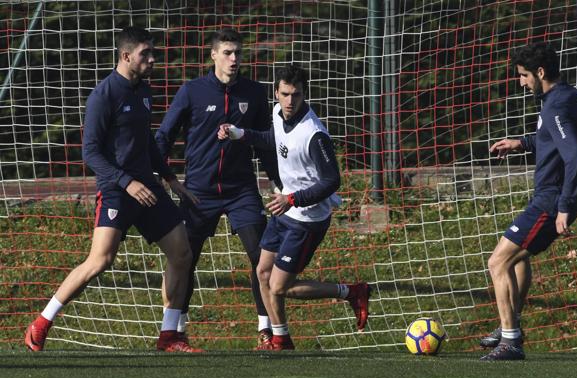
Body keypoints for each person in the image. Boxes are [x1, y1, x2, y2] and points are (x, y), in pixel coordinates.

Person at [24, 26, 203, 353]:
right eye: (145, 54)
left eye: (152, 53)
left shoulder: (144, 91)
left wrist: (171, 179)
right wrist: (126, 182)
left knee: (182, 252)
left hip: (147, 188)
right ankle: (41, 322)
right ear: (125, 56)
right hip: (118, 190)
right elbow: (90, 152)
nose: (152, 59)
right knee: (100, 260)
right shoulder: (103, 96)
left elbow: (146, 142)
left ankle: (169, 336)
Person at [218, 64, 370, 350]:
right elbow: (272, 140)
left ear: (304, 95)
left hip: (307, 218)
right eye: (285, 94)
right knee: (262, 272)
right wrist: (238, 133)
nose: (290, 102)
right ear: (276, 93)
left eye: (296, 95)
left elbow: (332, 180)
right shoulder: (277, 114)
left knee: (280, 286)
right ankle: (281, 338)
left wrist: (293, 199)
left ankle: (351, 292)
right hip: (284, 208)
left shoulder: (314, 134)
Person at [154, 29, 281, 347]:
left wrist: (280, 183)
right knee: (186, 258)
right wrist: (160, 174)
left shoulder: (253, 93)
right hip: (199, 191)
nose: (234, 59)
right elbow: (164, 136)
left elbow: (266, 143)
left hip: (242, 191)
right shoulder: (192, 91)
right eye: (227, 52)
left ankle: (266, 329)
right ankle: (174, 330)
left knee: (260, 254)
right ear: (213, 55)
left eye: (238, 52)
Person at [480, 42, 577, 360]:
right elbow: (555, 139)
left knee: (497, 262)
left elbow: (575, 154)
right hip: (549, 199)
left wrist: (565, 206)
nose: (521, 82)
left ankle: (511, 339)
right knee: (518, 259)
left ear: (540, 72)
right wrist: (522, 142)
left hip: (551, 202)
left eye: (524, 75)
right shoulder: (564, 97)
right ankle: (509, 324)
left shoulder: (555, 105)